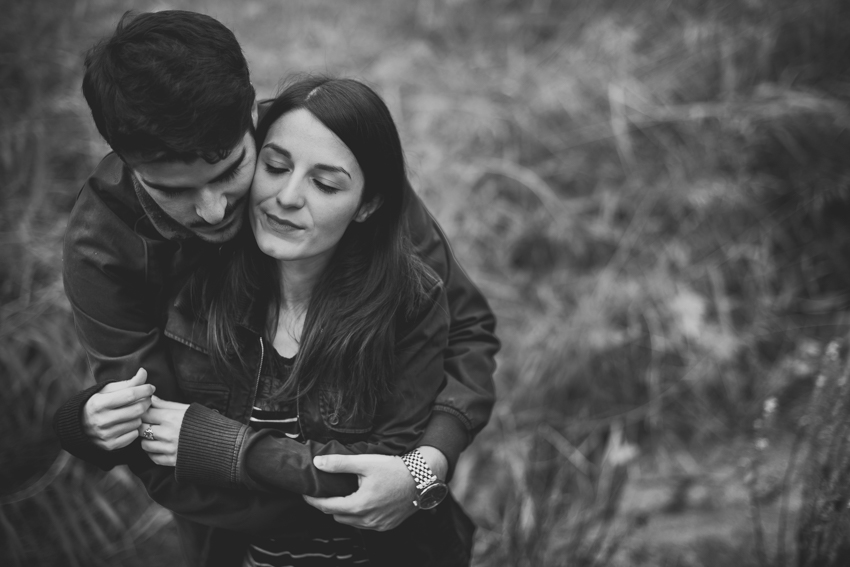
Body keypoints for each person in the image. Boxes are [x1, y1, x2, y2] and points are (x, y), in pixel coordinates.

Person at [51, 9, 498, 563]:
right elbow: (159, 448)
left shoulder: (330, 160)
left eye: (229, 171)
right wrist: (355, 495)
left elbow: (466, 328)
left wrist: (424, 468)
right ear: (128, 160)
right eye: (173, 192)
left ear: (251, 115)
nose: (212, 212)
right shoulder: (104, 247)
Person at [135, 75, 475, 566]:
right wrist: (78, 421)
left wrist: (230, 449)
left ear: (369, 205)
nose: (288, 196)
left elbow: (384, 469)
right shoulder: (194, 286)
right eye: (275, 167)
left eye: (324, 183)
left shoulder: (409, 302)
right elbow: (145, 423)